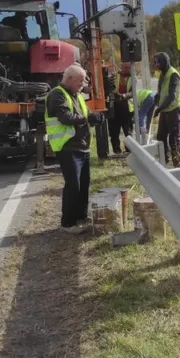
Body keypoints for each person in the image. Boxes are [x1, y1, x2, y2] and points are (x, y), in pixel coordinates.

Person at [45, 64, 104, 234]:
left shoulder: (75, 94)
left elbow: (83, 113)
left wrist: (94, 117)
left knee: (84, 184)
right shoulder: (57, 94)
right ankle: (68, 223)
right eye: (79, 81)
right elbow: (65, 117)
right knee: (74, 185)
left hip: (82, 146)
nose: (82, 84)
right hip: (67, 146)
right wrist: (87, 118)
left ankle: (81, 217)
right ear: (69, 79)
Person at [151, 52, 180, 167]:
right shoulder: (162, 74)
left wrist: (159, 108)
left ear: (164, 62)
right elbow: (161, 91)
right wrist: (156, 99)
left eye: (158, 62)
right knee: (161, 136)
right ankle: (164, 160)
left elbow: (171, 96)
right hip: (165, 110)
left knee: (174, 138)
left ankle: (178, 162)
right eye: (155, 62)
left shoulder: (173, 74)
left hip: (173, 110)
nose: (156, 64)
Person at [107, 62, 134, 155]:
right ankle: (117, 151)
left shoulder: (133, 78)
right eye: (126, 67)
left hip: (126, 108)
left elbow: (133, 92)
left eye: (129, 68)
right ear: (121, 66)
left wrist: (124, 95)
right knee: (114, 131)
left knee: (128, 131)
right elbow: (110, 88)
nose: (127, 69)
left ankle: (129, 150)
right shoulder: (114, 76)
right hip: (114, 107)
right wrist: (115, 93)